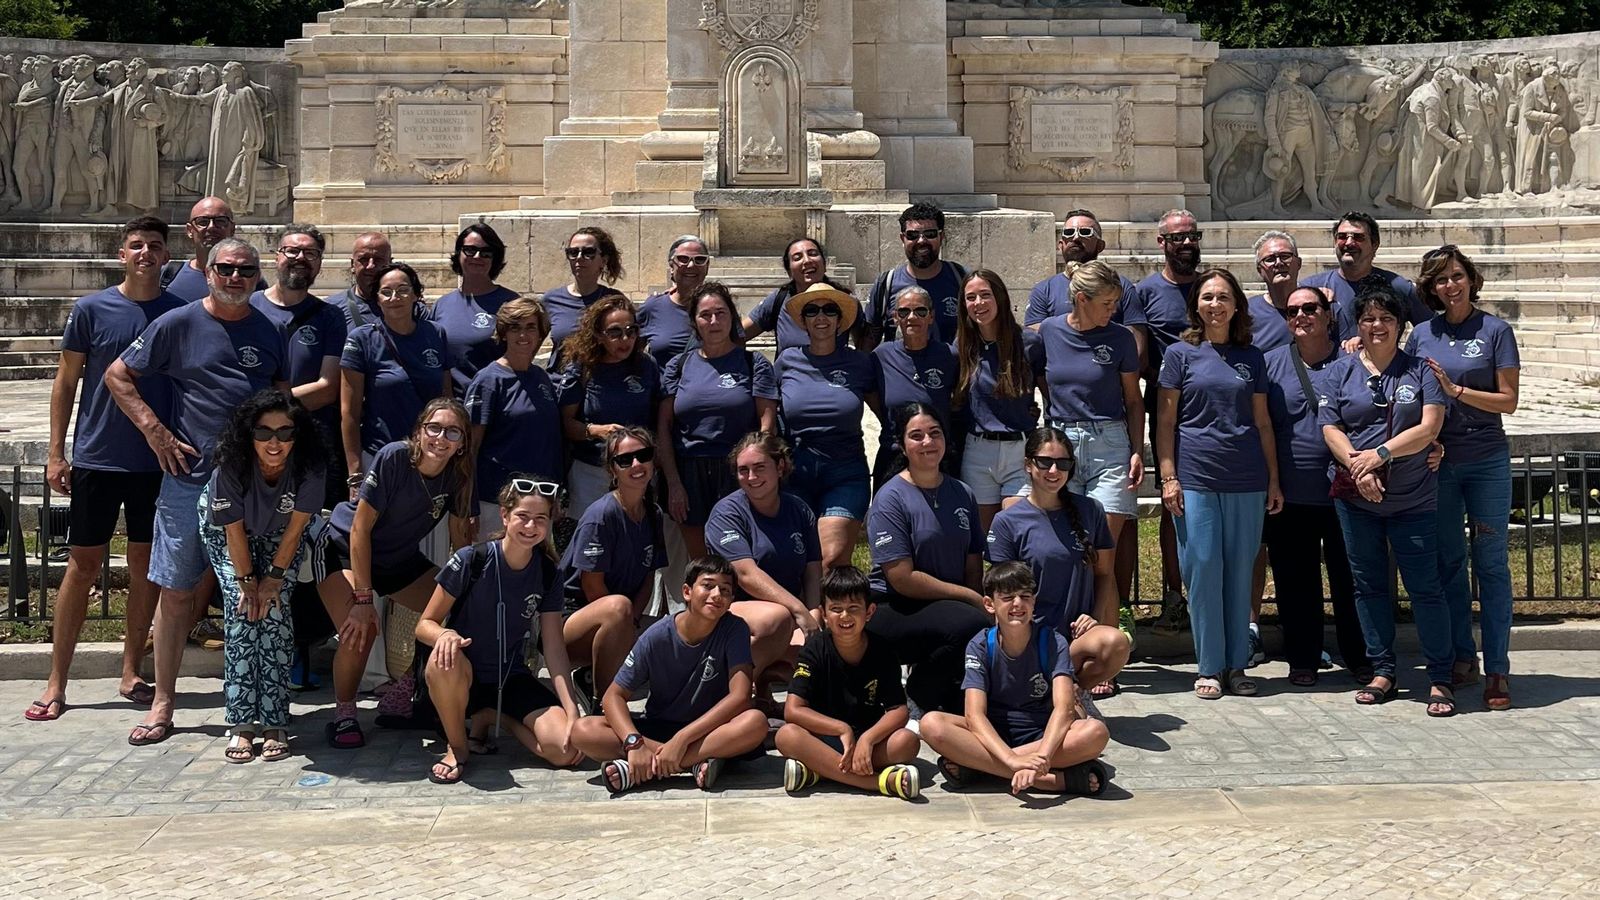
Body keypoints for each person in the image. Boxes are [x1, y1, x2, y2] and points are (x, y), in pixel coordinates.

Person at [106, 237, 290, 745]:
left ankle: (257, 706)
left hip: (255, 484)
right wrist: (156, 432)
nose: (235, 277)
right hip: (189, 479)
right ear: (208, 271)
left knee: (255, 591)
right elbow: (118, 375)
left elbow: (281, 403)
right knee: (177, 590)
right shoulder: (178, 321)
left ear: (258, 276)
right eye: (226, 268)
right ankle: (163, 704)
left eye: (246, 270)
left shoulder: (270, 330)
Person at [29, 217, 185, 723]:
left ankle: (130, 671)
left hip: (155, 461)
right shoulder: (92, 309)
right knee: (83, 565)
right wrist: (58, 450)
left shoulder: (179, 312)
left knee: (145, 568)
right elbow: (66, 381)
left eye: (155, 246)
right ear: (122, 254)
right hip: (99, 455)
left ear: (166, 255)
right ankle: (57, 681)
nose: (145, 253)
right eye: (136, 246)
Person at [1320, 287, 1453, 716]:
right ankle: (1382, 669)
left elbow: (1429, 428)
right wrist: (1359, 471)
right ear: (1357, 325)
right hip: (1357, 500)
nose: (1376, 327)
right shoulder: (1340, 372)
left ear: (1400, 325)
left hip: (1413, 499)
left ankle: (1439, 676)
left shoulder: (1422, 371)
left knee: (1425, 590)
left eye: (1386, 319)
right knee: (1368, 587)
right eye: (1368, 319)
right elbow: (1331, 429)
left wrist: (1379, 455)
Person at [313, 399, 476, 748]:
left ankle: (402, 692)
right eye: (434, 427)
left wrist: (472, 584)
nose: (441, 438)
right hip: (343, 549)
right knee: (362, 628)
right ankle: (344, 714)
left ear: (463, 442)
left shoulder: (461, 474)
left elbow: (461, 540)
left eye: (452, 431)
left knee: (462, 609)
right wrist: (362, 597)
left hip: (397, 558)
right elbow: (359, 530)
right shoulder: (394, 457)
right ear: (419, 432)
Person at [1155, 267, 1283, 700]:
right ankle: (1209, 665)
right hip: (1196, 477)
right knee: (1204, 567)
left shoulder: (1253, 357)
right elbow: (1166, 422)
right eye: (1207, 297)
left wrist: (1274, 481)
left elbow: (1263, 423)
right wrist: (1168, 477)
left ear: (1236, 306)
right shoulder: (1179, 355)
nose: (1215, 305)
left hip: (1247, 477)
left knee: (1239, 569)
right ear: (1196, 306)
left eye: (1223, 297)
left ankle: (1237, 665)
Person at [415, 475, 584, 785]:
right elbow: (424, 624)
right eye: (522, 516)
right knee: (444, 658)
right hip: (461, 674)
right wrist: (445, 635)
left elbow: (555, 648)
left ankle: (495, 716)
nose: (530, 527)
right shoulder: (472, 559)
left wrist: (572, 710)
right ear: (505, 516)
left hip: (511, 677)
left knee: (566, 750)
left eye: (540, 519)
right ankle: (457, 747)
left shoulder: (548, 573)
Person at [1408, 246, 1520, 709]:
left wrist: (1458, 392)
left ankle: (1497, 667)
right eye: (1440, 279)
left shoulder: (1496, 330)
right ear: (1430, 288)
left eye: (1456, 276)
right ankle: (1461, 656)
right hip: (1441, 463)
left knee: (1491, 564)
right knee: (1450, 564)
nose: (1450, 285)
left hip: (1486, 460)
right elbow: (1412, 393)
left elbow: (1508, 401)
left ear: (1471, 279)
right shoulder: (1420, 335)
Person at [570, 555, 770, 794]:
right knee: (583, 731)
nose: (717, 594)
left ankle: (648, 769)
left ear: (731, 600)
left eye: (725, 590)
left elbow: (740, 697)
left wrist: (683, 739)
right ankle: (689, 763)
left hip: (710, 731)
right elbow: (613, 696)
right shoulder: (657, 635)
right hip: (660, 727)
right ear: (687, 591)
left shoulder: (735, 629)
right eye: (707, 586)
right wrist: (634, 743)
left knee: (755, 722)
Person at [202, 390, 325, 763]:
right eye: (264, 432)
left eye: (285, 433)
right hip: (228, 531)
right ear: (248, 434)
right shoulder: (230, 468)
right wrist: (247, 582)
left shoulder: (309, 468)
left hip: (279, 533)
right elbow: (233, 532)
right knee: (243, 611)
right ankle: (241, 724)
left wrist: (272, 579)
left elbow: (296, 530)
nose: (275, 442)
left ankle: (274, 721)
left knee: (274, 611)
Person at [919, 562, 1111, 796]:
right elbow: (974, 714)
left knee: (1095, 733)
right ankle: (1051, 781)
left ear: (1034, 602)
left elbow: (1064, 709)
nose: (1017, 604)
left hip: (1041, 732)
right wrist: (1010, 759)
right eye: (1008, 597)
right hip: (994, 733)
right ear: (990, 604)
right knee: (931, 724)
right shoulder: (979, 645)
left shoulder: (1053, 641)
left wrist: (1041, 757)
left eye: (1025, 596)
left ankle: (984, 768)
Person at [1261, 287, 1369, 686]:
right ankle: (1302, 658)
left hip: (1346, 491)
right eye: (1293, 311)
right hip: (1291, 492)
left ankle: (1360, 656)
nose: (1301, 316)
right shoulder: (1271, 364)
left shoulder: (1354, 362)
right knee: (1294, 580)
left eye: (1310, 308)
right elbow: (1263, 426)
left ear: (1327, 315)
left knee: (1352, 578)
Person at [1037, 261, 1144, 652]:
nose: (1113, 309)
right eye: (1107, 302)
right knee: (1064, 549)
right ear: (1082, 299)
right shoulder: (1048, 331)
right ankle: (1064, 647)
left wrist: (1136, 449)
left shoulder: (1120, 338)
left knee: (1102, 554)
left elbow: (1133, 400)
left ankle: (1105, 650)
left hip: (1109, 443)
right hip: (1061, 447)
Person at [987, 428, 1130, 699]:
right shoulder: (1007, 521)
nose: (1054, 471)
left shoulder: (1091, 511)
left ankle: (1076, 691)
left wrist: (1096, 617)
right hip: (1032, 638)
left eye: (1063, 464)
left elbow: (1104, 574)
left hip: (1075, 637)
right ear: (1028, 464)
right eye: (1045, 462)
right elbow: (1002, 594)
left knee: (1117, 643)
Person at [865, 402, 988, 715]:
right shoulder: (890, 497)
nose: (927, 442)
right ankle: (916, 695)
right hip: (894, 605)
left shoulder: (962, 493)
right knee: (972, 622)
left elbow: (973, 562)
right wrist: (971, 599)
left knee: (985, 626)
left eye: (934, 433)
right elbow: (901, 578)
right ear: (902, 445)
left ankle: (944, 689)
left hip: (948, 607)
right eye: (916, 436)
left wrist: (978, 599)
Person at [776, 565, 921, 800]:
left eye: (854, 608)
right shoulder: (814, 649)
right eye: (836, 609)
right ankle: (877, 783)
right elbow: (793, 710)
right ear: (823, 613)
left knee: (907, 742)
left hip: (866, 739)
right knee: (786, 735)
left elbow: (899, 710)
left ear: (869, 611)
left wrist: (868, 738)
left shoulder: (883, 650)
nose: (845, 616)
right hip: (823, 737)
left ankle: (818, 771)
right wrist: (840, 728)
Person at [659, 282, 779, 559]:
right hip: (690, 473)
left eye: (721, 313)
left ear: (732, 318)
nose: (713, 321)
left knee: (741, 556)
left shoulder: (754, 363)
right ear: (694, 322)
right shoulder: (678, 366)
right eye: (705, 315)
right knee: (701, 562)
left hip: (738, 470)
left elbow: (767, 424)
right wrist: (674, 483)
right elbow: (664, 428)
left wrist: (756, 473)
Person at [704, 432, 822, 702]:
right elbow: (746, 575)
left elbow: (813, 571)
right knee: (775, 619)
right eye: (743, 470)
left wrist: (814, 617)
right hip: (729, 609)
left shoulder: (799, 509)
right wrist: (798, 611)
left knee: (814, 662)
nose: (751, 477)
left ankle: (764, 682)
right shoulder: (727, 513)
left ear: (780, 467)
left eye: (759, 467)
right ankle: (722, 693)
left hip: (788, 614)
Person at [558, 428, 668, 704]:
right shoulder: (601, 515)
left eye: (643, 456)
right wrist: (626, 630)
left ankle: (591, 678)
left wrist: (630, 625)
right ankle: (603, 703)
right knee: (618, 607)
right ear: (612, 469)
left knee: (675, 631)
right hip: (568, 622)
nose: (636, 465)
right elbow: (592, 586)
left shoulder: (653, 513)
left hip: (621, 618)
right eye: (625, 460)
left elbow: (648, 577)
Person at [777, 281, 881, 568]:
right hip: (796, 469)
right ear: (804, 321)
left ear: (839, 320)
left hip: (845, 469)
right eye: (812, 311)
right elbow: (768, 413)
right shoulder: (787, 361)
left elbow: (884, 411)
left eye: (829, 310)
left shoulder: (860, 363)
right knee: (796, 561)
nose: (821, 317)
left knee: (829, 558)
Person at [1136, 210, 1204, 632]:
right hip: (1167, 409)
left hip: (1215, 407)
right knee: (1172, 501)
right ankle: (1175, 596)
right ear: (1161, 242)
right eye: (1176, 237)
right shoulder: (1145, 292)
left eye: (1191, 236)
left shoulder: (1212, 288)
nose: (1185, 243)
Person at [250, 224, 346, 505]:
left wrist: (265, 409)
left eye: (310, 253)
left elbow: (328, 388)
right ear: (276, 256)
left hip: (310, 441)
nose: (300, 258)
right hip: (254, 441)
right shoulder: (248, 307)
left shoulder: (330, 317)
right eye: (292, 250)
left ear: (319, 264)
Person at [339, 262, 449, 489]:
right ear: (377, 299)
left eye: (402, 290)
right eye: (386, 292)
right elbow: (349, 412)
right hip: (380, 455)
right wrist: (355, 473)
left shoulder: (436, 333)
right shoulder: (361, 339)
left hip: (432, 456)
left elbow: (446, 399)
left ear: (417, 294)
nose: (394, 297)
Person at [954, 269, 1042, 532]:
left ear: (1000, 298)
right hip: (978, 452)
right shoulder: (962, 346)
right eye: (970, 298)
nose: (978, 303)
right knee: (987, 541)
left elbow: (1049, 395)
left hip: (1019, 450)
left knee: (1016, 533)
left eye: (985, 295)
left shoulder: (1029, 342)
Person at [558, 294, 663, 514]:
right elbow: (564, 423)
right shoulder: (582, 368)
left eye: (631, 330)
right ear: (598, 335)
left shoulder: (647, 366)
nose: (625, 339)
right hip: (591, 472)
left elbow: (658, 418)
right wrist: (595, 431)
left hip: (637, 469)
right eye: (615, 332)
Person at [465, 298, 562, 527]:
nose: (523, 335)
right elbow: (470, 447)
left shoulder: (542, 378)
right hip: (496, 503)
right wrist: (468, 505)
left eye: (530, 327)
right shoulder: (488, 380)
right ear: (503, 333)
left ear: (540, 334)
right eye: (515, 327)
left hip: (539, 502)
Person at [870, 285, 959, 488]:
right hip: (893, 455)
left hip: (936, 456)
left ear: (931, 317)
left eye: (920, 311)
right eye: (904, 311)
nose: (912, 317)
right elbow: (868, 393)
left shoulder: (949, 356)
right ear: (895, 318)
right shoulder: (880, 356)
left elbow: (961, 397)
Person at [1024, 209, 1146, 358]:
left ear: (1100, 245)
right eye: (1069, 232)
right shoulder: (1043, 290)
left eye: (1085, 232)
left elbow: (1137, 347)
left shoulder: (1122, 287)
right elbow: (1035, 343)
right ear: (1060, 245)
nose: (1075, 237)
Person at [1300, 213, 1431, 338]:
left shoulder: (1399, 287)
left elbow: (1431, 331)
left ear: (1374, 244)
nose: (1349, 243)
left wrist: (1407, 356)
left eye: (1358, 237)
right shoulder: (1311, 288)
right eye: (1342, 236)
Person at [859, 202, 968, 350]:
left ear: (941, 237)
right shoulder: (886, 284)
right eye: (912, 235)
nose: (922, 241)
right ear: (902, 238)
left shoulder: (962, 279)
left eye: (930, 234)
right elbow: (869, 340)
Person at [431, 223, 521, 397]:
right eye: (470, 250)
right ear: (459, 254)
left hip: (499, 403)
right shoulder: (441, 305)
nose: (477, 256)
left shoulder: (511, 302)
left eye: (486, 252)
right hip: (455, 408)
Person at [741, 236, 844, 358]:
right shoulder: (778, 300)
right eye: (797, 258)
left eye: (813, 254)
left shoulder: (845, 301)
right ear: (789, 272)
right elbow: (737, 336)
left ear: (824, 264)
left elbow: (863, 344)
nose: (807, 260)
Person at [542, 226, 625, 367]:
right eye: (573, 252)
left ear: (603, 260)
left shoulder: (614, 300)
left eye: (588, 252)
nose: (579, 258)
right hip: (560, 384)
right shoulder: (551, 300)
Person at [161, 196, 262, 300]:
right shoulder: (167, 276)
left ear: (232, 229)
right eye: (203, 222)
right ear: (190, 230)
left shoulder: (248, 280)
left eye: (220, 221)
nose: (211, 227)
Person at [637, 235, 711, 368]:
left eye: (699, 259)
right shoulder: (652, 308)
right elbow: (630, 356)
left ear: (707, 266)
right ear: (671, 266)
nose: (691, 265)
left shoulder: (722, 309)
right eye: (683, 259)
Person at [328, 232, 393, 329]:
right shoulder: (331, 310)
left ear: (390, 264)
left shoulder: (408, 309)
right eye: (364, 259)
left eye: (378, 260)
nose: (370, 266)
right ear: (352, 264)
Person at [1248, 230, 1300, 352]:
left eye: (1285, 256)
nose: (1278, 263)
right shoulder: (1247, 313)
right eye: (1270, 259)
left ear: (1299, 263)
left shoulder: (1319, 306)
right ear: (1259, 270)